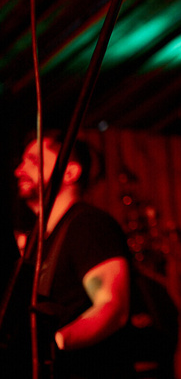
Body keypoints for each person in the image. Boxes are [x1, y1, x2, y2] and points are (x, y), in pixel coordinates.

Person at [11, 132, 136, 378]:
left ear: (70, 172)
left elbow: (112, 307)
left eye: (34, 161)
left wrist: (55, 344)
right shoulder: (38, 242)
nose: (19, 170)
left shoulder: (88, 225)